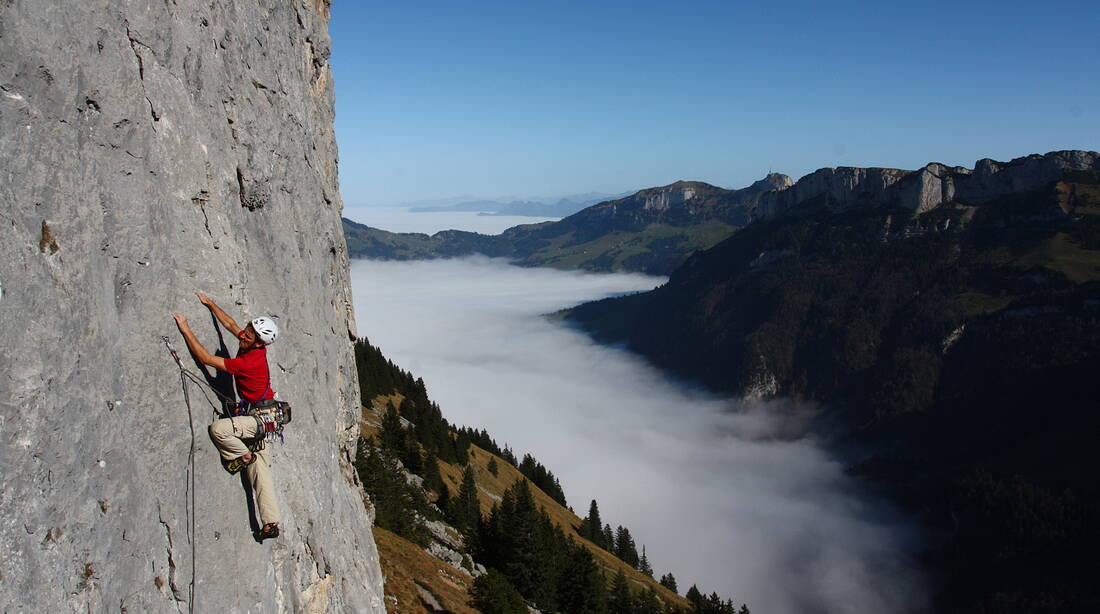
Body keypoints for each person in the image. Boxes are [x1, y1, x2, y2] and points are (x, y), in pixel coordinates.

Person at [171, 291, 282, 541]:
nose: (244, 334)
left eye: (249, 335)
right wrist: (211, 304)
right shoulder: (251, 343)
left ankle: (240, 454)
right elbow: (231, 325)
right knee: (260, 471)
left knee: (219, 430)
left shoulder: (248, 362)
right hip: (266, 416)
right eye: (247, 330)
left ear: (259, 343)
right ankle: (271, 521)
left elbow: (206, 359)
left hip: (257, 419)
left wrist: (186, 329)